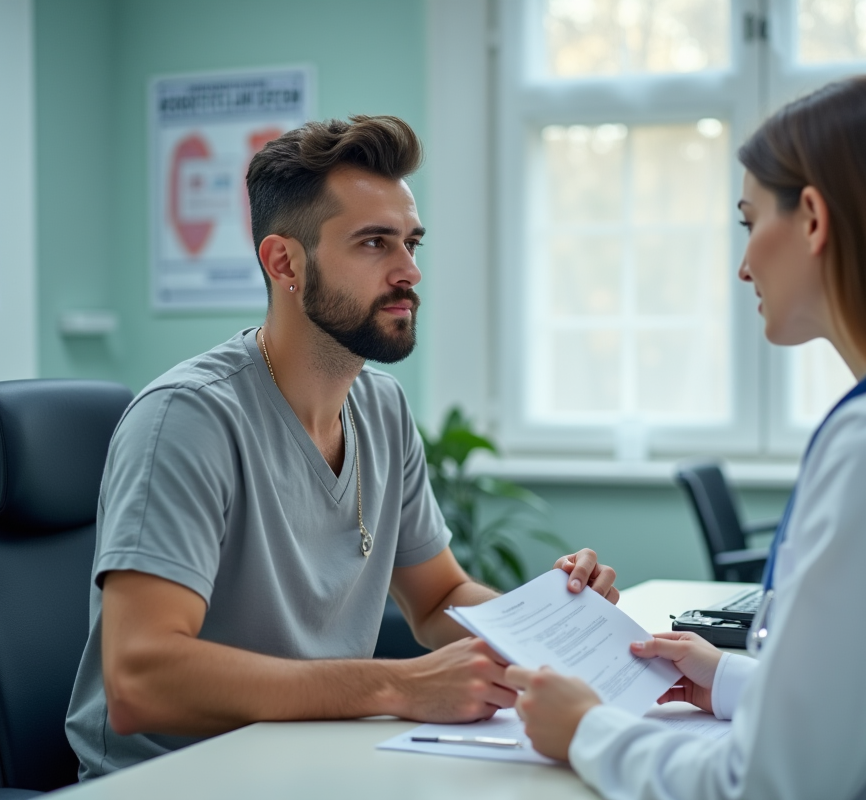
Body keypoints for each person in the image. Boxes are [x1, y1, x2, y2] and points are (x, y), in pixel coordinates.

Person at [504, 76, 866, 800]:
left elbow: (766, 787)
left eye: (750, 222)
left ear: (813, 218)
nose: (744, 264)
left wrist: (587, 729)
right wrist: (729, 679)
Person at [65, 115, 619, 779]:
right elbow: (139, 682)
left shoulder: (381, 408)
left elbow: (440, 598)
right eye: (374, 244)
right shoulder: (188, 419)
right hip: (177, 780)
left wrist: (549, 620)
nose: (409, 270)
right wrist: (401, 687)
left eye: (411, 242)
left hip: (315, 759)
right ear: (284, 262)